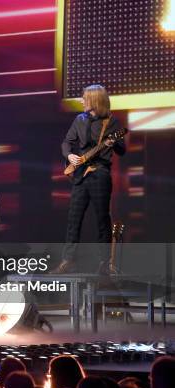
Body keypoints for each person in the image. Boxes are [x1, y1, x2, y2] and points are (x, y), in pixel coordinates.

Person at [55, 84, 126, 275]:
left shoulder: (112, 122)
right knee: (73, 218)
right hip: (80, 174)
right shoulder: (80, 119)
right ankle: (68, 260)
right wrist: (69, 156)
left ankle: (104, 262)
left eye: (85, 98)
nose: (82, 101)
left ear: (95, 100)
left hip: (100, 173)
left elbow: (122, 150)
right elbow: (66, 143)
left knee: (102, 218)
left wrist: (113, 143)